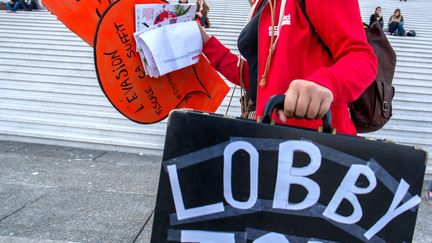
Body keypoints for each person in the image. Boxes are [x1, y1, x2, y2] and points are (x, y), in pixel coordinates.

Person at [198, 0, 377, 135]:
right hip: (270, 139)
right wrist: (207, 43)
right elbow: (259, 77)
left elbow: (361, 56)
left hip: (317, 146)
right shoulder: (261, 4)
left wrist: (327, 83)